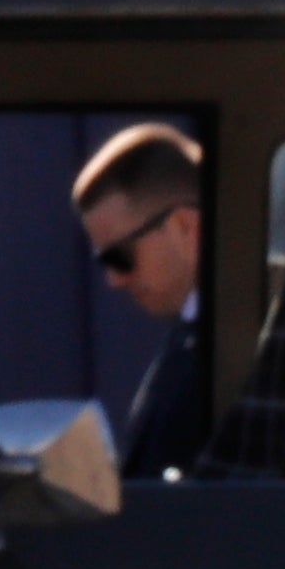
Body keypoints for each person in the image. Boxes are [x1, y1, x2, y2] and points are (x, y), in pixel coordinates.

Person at [76, 123, 210, 483]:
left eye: (120, 257)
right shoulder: (186, 342)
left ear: (186, 226)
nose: (114, 279)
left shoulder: (232, 345)